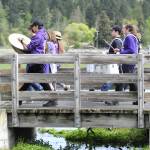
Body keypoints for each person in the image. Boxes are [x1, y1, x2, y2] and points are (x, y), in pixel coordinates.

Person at [19, 20, 51, 104]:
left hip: (35, 61)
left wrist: (21, 42)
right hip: (39, 61)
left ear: (36, 26)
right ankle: (18, 99)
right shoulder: (44, 34)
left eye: (33, 26)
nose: (32, 28)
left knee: (41, 82)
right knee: (29, 81)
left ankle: (53, 99)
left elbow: (28, 49)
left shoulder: (38, 36)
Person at [114, 24, 138, 104]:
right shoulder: (131, 37)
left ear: (127, 29)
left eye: (123, 28)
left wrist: (120, 51)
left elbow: (132, 50)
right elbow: (130, 49)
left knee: (123, 80)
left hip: (128, 62)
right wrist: (120, 50)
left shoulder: (129, 37)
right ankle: (139, 100)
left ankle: (115, 100)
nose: (122, 29)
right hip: (130, 62)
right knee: (131, 82)